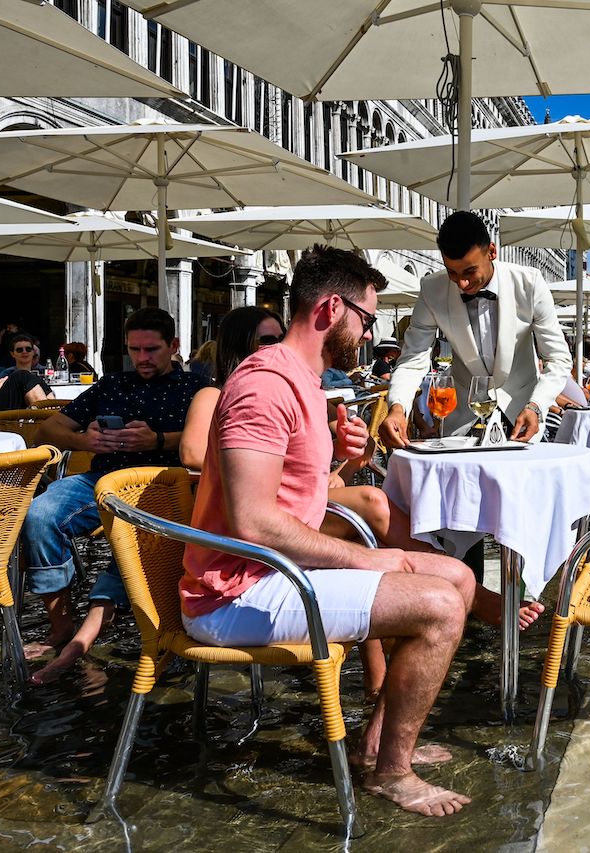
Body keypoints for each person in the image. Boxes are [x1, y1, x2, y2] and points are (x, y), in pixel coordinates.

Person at [185, 246, 474, 816]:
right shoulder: (265, 385)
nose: (368, 334)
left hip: (275, 574)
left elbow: (294, 496)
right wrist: (360, 560)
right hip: (235, 592)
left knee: (459, 578)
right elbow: (254, 520)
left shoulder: (303, 382)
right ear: (331, 308)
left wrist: (336, 462)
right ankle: (393, 772)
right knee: (438, 605)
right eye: (366, 318)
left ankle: (378, 743)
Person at [21, 308, 210, 674]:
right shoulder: (112, 384)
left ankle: (103, 623)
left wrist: (156, 439)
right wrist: (85, 440)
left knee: (134, 541)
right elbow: (46, 431)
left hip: (164, 488)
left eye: (151, 349)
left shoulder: (196, 389)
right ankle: (61, 624)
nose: (141, 358)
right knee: (39, 514)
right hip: (101, 482)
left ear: (173, 346)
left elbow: (208, 442)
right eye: (134, 350)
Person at [379, 211, 572, 446]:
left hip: (522, 415)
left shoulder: (529, 284)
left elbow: (559, 359)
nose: (462, 283)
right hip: (462, 421)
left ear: (492, 252)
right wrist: (398, 408)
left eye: (470, 271)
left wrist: (536, 405)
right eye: (452, 272)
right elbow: (412, 359)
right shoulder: (432, 289)